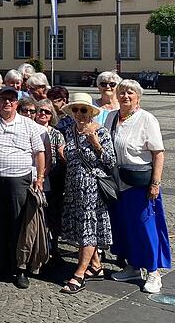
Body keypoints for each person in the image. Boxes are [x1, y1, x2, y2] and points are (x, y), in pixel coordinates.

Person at [107, 80, 171, 294]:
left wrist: (155, 183)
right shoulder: (112, 117)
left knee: (145, 226)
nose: (125, 96)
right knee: (125, 226)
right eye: (122, 92)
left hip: (139, 182)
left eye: (130, 93)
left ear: (138, 97)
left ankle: (153, 272)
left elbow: (158, 153)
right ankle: (133, 266)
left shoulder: (147, 119)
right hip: (117, 181)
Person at [0, 87, 44, 289]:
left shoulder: (28, 125)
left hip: (19, 181)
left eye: (12, 100)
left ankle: (20, 269)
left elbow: (39, 152)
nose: (7, 103)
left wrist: (39, 177)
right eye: (4, 99)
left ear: (17, 103)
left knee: (19, 226)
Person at [58, 93, 116, 294]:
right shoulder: (69, 130)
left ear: (91, 112)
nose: (79, 113)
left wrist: (96, 145)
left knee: (88, 231)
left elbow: (111, 162)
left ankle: (79, 274)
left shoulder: (102, 132)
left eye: (83, 110)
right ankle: (96, 266)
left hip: (92, 189)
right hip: (74, 187)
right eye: (75, 109)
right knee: (80, 228)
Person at [34, 98, 66, 262]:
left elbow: (62, 155)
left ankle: (54, 247)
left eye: (47, 111)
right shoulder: (29, 129)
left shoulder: (56, 133)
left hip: (53, 177)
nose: (43, 114)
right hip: (34, 177)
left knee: (53, 214)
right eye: (40, 111)